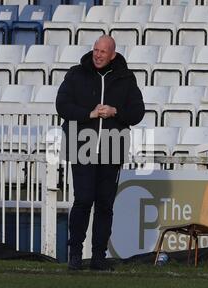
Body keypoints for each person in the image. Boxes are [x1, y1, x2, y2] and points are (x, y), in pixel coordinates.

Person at [56, 35, 145, 271]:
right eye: (95, 49)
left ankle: (98, 257)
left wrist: (116, 111)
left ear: (112, 54)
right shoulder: (77, 73)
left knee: (104, 205)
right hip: (82, 147)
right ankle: (74, 254)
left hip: (112, 148)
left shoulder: (126, 77)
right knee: (83, 200)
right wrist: (90, 114)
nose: (97, 55)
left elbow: (137, 112)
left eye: (103, 51)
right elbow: (62, 105)